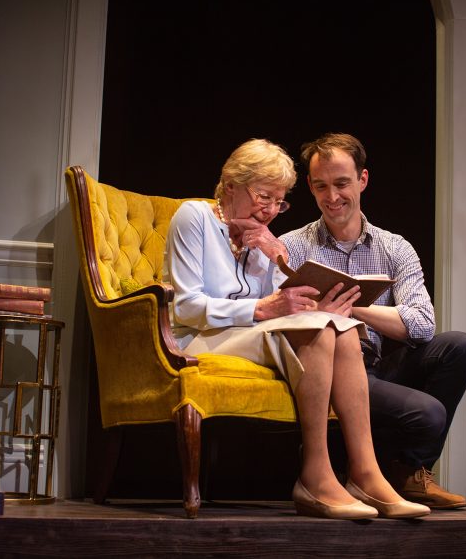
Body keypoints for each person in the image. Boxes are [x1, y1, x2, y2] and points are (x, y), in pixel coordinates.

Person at [166, 138, 429, 520]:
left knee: (340, 326)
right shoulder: (195, 218)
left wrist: (279, 263)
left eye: (279, 202)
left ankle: (365, 474)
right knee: (319, 329)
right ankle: (315, 475)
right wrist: (262, 308)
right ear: (231, 186)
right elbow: (186, 306)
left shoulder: (261, 238)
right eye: (263, 197)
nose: (271, 210)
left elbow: (280, 306)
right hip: (198, 337)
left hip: (245, 335)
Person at [280, 133, 466, 509]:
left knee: (460, 345)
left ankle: (411, 473)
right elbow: (279, 317)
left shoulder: (394, 247)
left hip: (376, 364)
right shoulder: (292, 246)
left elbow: (422, 324)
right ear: (309, 185)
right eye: (321, 186)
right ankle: (372, 475)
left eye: (342, 183)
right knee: (429, 414)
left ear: (363, 180)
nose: (332, 196)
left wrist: (351, 305)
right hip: (329, 369)